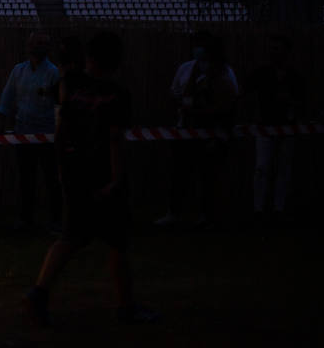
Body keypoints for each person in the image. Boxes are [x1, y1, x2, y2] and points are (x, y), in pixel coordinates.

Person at [23, 32, 159, 327]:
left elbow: (61, 129)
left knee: (70, 237)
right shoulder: (118, 95)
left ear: (90, 58)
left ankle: (39, 293)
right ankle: (126, 306)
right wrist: (116, 179)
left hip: (76, 174)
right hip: (101, 176)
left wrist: (62, 169)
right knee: (118, 241)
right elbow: (114, 140)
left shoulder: (71, 86)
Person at [159, 32, 238, 229]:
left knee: (208, 176)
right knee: (179, 174)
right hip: (185, 129)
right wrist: (182, 106)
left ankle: (206, 215)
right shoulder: (186, 69)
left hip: (211, 133)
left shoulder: (224, 73)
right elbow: (173, 93)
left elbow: (229, 104)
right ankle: (174, 212)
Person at [0, 31, 61, 232]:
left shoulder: (53, 73)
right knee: (26, 178)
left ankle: (56, 219)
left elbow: (59, 104)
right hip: (23, 132)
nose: (37, 47)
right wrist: (1, 124)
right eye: (34, 43)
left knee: (51, 177)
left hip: (47, 133)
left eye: (42, 43)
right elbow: (7, 98)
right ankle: (26, 219)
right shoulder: (18, 71)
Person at [243, 34, 307, 223]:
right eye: (272, 48)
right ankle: (259, 209)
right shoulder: (262, 73)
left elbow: (303, 101)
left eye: (277, 48)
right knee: (262, 168)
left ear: (287, 52)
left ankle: (278, 208)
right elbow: (246, 93)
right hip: (265, 128)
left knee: (283, 169)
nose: (273, 52)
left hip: (287, 128)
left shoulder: (295, 77)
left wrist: (292, 105)